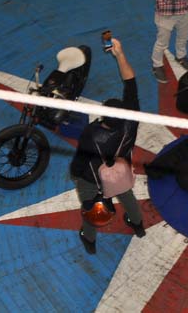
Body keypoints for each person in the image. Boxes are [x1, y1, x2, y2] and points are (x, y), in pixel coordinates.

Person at [70, 38, 145, 254]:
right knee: (126, 195)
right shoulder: (131, 120)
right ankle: (137, 225)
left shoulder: (91, 134)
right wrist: (120, 55)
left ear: (103, 116)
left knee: (92, 210)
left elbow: (80, 162)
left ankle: (89, 239)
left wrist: (75, 174)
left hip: (92, 178)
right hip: (120, 170)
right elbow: (130, 82)